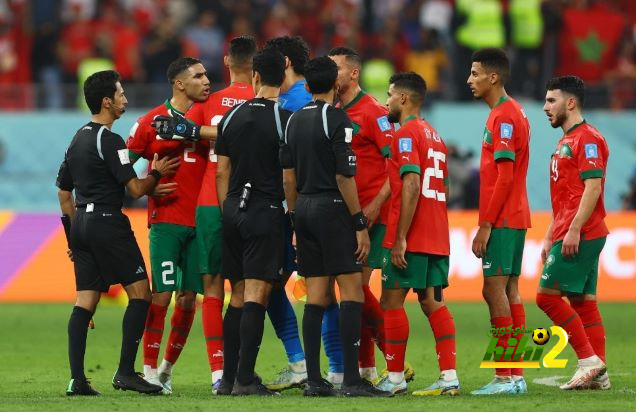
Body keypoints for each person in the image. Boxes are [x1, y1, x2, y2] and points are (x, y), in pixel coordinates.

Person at [56, 70, 178, 396]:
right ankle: (125, 372)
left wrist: (72, 238)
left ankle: (77, 380)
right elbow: (136, 188)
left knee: (85, 302)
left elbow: (63, 194)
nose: (125, 99)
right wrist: (156, 175)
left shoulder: (77, 138)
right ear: (107, 101)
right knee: (141, 294)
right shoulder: (110, 140)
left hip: (81, 222)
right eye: (121, 94)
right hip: (108, 222)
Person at [280, 56, 392, 398]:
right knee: (352, 291)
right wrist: (358, 220)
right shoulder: (338, 119)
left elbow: (288, 176)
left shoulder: (293, 120)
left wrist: (296, 217)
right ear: (333, 84)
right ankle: (352, 380)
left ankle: (314, 380)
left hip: (305, 209)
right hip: (333, 210)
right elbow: (345, 175)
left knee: (316, 297)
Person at [126, 57, 210, 394]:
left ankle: (166, 370)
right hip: (167, 221)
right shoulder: (149, 122)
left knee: (188, 300)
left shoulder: (211, 118)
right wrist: (147, 186)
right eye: (198, 76)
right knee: (160, 296)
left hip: (201, 221)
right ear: (179, 83)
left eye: (206, 75)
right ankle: (147, 371)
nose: (206, 81)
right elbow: (121, 168)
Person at [375, 72, 459, 396]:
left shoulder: (406, 135)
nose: (386, 101)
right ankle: (449, 377)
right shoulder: (435, 135)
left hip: (411, 236)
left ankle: (394, 379)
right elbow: (446, 188)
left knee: (391, 301)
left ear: (404, 99)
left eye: (390, 94)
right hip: (437, 234)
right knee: (433, 302)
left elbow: (411, 184)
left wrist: (400, 237)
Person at [214, 47, 291, 396]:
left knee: (238, 295)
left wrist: (228, 210)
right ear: (284, 77)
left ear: (256, 76)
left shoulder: (231, 117)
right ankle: (245, 378)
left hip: (232, 210)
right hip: (265, 210)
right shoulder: (284, 119)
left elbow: (221, 170)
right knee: (258, 294)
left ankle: (229, 377)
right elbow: (289, 175)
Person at [185, 35, 257, 393]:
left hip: (210, 204)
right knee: (245, 289)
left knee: (212, 290)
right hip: (251, 202)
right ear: (255, 66)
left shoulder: (207, 103)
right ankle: (242, 371)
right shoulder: (261, 102)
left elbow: (183, 138)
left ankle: (218, 372)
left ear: (227, 61)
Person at [328, 46, 397, 383]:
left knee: (355, 286)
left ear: (353, 73)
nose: (331, 74)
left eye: (336, 68)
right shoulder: (335, 110)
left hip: (373, 216)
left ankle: (396, 360)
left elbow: (395, 164)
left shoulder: (374, 112)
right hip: (348, 215)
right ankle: (368, 368)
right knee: (354, 290)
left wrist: (374, 206)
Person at [466, 48, 531, 395]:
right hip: (515, 214)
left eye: (475, 74)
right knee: (509, 290)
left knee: (494, 289)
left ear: (493, 77)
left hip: (503, 217)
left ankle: (506, 376)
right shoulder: (512, 111)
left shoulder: (503, 117)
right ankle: (514, 374)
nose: (469, 80)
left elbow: (504, 178)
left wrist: (486, 224)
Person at [538, 75, 609, 390]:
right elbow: (566, 196)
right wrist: (550, 233)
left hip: (583, 231)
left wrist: (574, 231)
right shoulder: (566, 140)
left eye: (551, 100)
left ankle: (588, 361)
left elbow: (593, 187)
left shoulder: (587, 139)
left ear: (570, 102)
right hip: (569, 230)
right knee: (582, 301)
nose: (545, 107)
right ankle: (599, 375)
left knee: (546, 298)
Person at [260, 35, 314, 390]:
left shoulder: (294, 105)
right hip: (509, 222)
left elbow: (290, 167)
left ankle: (509, 373)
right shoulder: (313, 99)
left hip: (500, 223)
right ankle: (380, 367)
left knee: (329, 288)